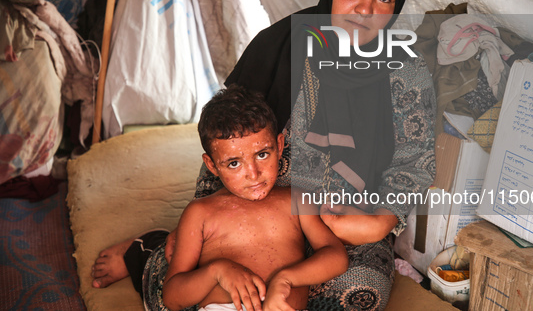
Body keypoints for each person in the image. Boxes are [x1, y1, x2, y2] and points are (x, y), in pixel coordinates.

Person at [94, 0, 436, 311]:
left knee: (358, 293)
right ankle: (146, 249)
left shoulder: (406, 73)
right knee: (189, 289)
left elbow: (414, 163)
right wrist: (205, 216)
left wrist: (380, 222)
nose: (366, 9)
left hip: (347, 225)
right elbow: (227, 136)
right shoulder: (278, 46)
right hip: (259, 207)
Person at [92, 86, 349, 311]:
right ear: (212, 166)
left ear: (279, 145)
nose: (253, 173)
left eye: (262, 154)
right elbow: (173, 296)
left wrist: (287, 279)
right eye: (234, 163)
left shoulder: (295, 201)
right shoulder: (201, 213)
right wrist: (218, 272)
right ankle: (146, 249)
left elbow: (335, 255)